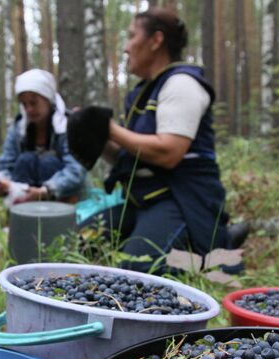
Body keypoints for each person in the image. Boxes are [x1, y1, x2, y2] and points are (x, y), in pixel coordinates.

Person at [70, 7, 234, 273]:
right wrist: (96, 137)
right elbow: (134, 156)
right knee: (75, 244)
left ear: (156, 41)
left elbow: (169, 153)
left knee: (135, 271)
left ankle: (206, 249)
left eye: (131, 36)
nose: (125, 48)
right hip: (141, 201)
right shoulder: (144, 93)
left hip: (180, 200)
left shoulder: (182, 84)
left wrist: (110, 129)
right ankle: (186, 244)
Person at [0, 69, 86, 206]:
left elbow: (76, 171)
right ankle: (22, 216)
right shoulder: (19, 129)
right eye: (24, 104)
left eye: (34, 102)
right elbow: (5, 165)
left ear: (48, 99)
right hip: (27, 196)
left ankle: (57, 219)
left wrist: (45, 190)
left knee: (48, 162)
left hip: (61, 198)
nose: (29, 109)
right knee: (26, 160)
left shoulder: (67, 126)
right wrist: (3, 182)